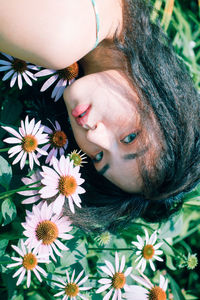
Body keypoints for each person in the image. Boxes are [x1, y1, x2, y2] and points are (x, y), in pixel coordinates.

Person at [0, 0, 199, 232]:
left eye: (99, 157)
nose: (95, 137)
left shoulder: (114, 14)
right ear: (161, 99)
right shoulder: (60, 39)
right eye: (129, 137)